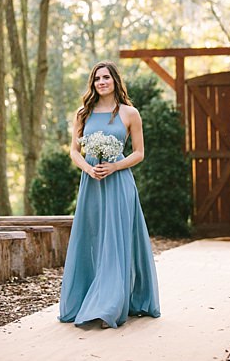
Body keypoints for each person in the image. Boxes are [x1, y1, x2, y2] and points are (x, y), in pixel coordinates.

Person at [58, 61, 160, 328]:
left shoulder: (130, 113)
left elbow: (139, 153)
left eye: (106, 77)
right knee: (93, 239)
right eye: (96, 79)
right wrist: (89, 169)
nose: (101, 82)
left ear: (115, 80)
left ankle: (109, 306)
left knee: (115, 242)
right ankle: (86, 299)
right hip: (91, 185)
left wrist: (115, 165)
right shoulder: (83, 113)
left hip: (119, 184)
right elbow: (73, 151)